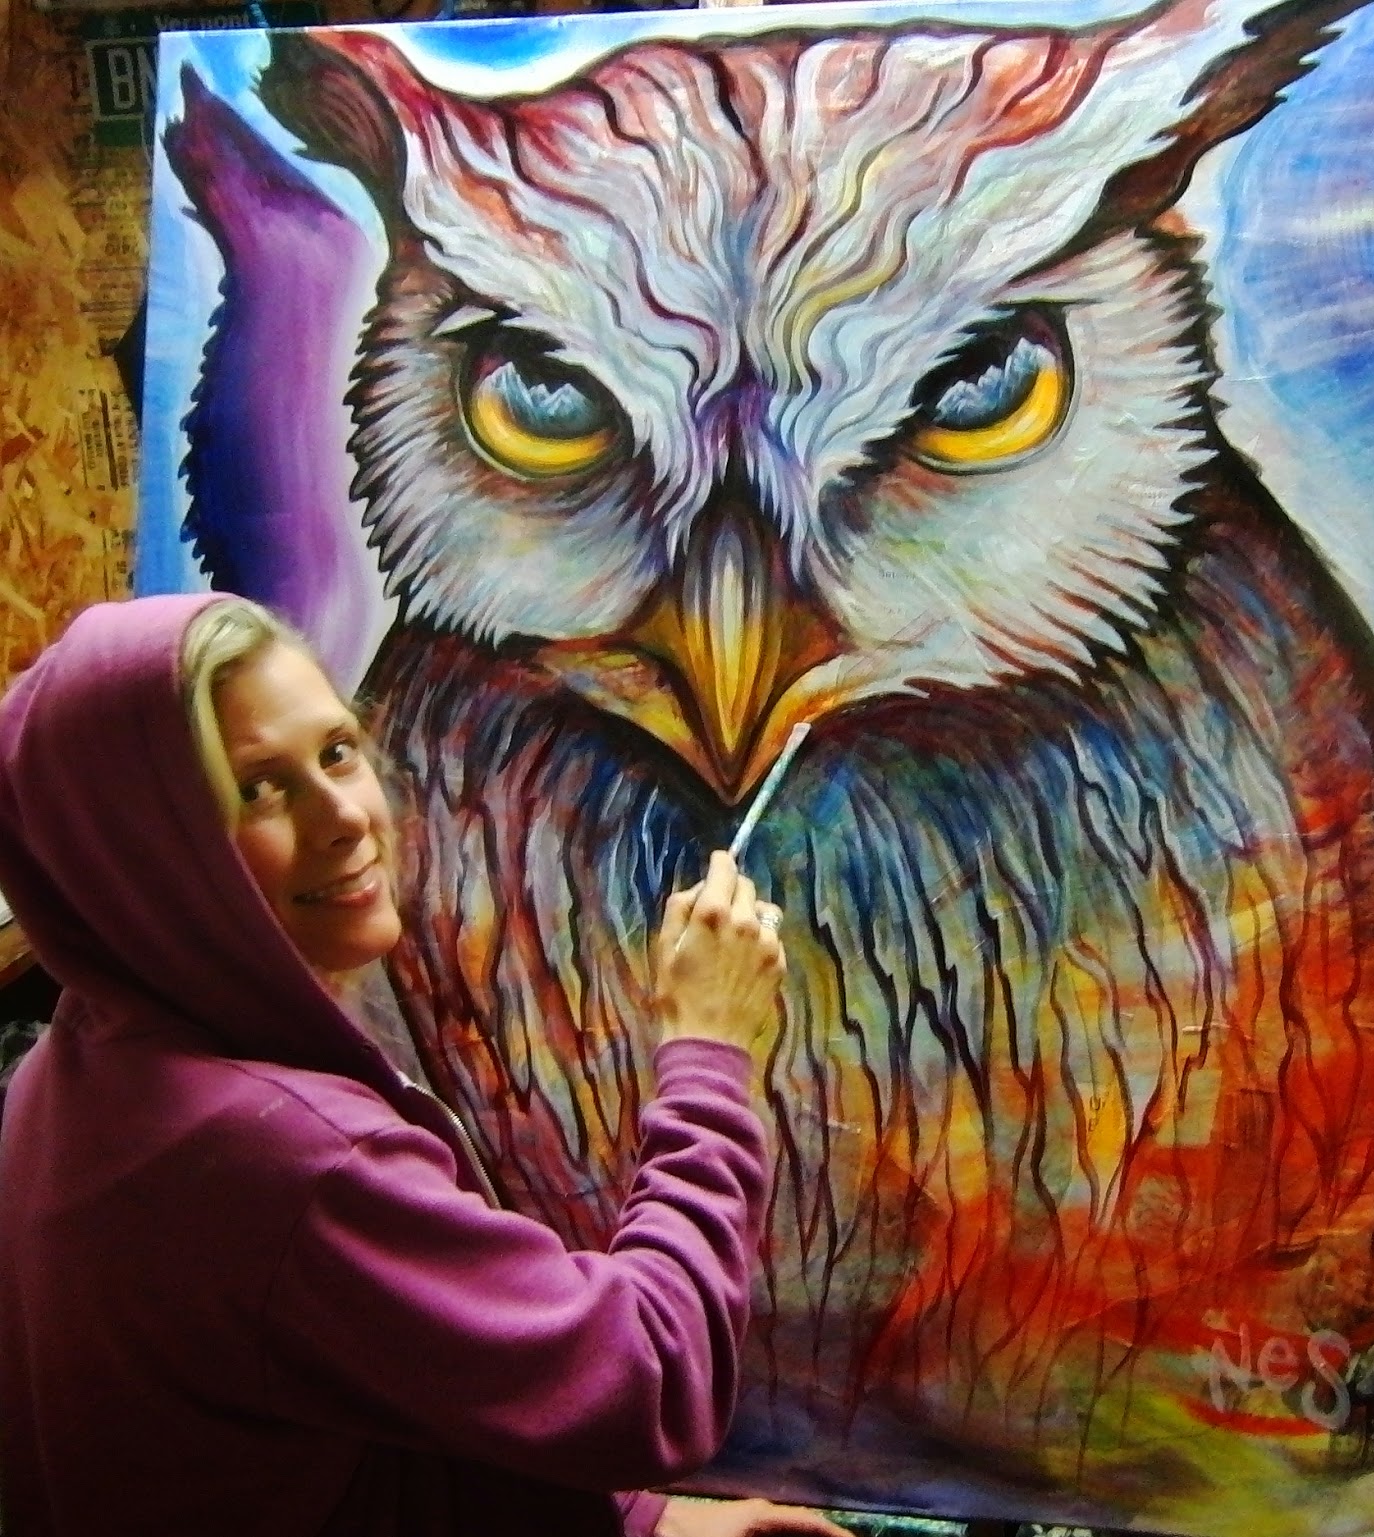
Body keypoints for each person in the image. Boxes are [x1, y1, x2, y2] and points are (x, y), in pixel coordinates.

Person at [0, 593, 850, 1537]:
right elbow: (647, 1379)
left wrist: (637, 1521)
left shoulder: (76, 1062)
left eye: (336, 751)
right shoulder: (286, 1159)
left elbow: (393, 1388)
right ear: (143, 856)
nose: (342, 818)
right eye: (257, 788)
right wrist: (710, 1054)